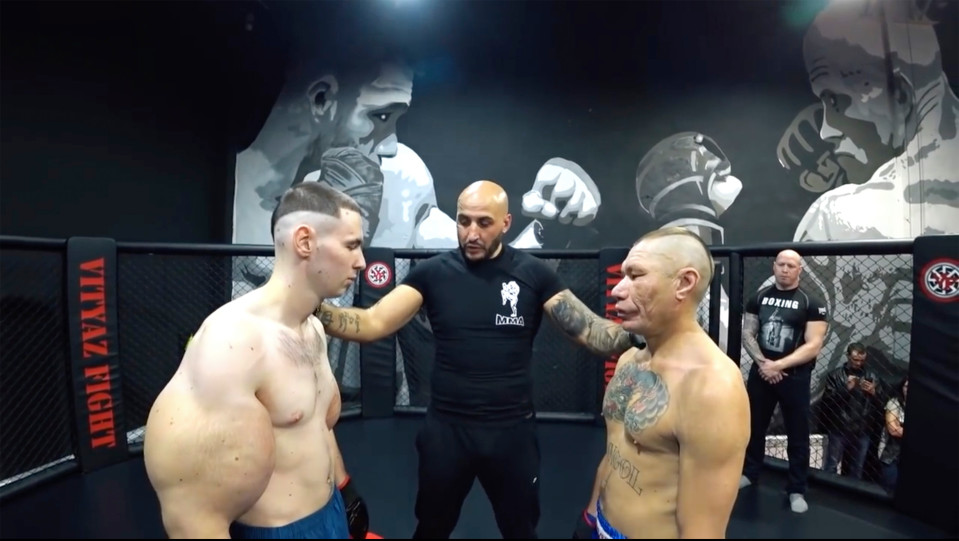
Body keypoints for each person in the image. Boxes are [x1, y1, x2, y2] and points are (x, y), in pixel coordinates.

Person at [316, 179, 637, 539]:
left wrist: (644, 333)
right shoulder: (433, 274)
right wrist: (311, 306)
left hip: (511, 433)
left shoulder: (533, 273)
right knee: (432, 527)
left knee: (520, 530)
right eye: (463, 221)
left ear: (506, 223)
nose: (471, 233)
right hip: (447, 432)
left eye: (484, 223)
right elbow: (372, 322)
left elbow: (589, 331)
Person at [143, 182, 371, 539]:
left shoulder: (312, 328)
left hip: (330, 513)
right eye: (351, 245)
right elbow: (192, 515)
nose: (361, 262)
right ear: (305, 242)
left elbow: (315, 424)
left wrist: (344, 487)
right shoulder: (232, 343)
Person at [573, 227, 751, 539]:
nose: (618, 290)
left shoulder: (711, 387)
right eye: (623, 276)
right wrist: (589, 518)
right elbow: (615, 451)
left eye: (636, 275)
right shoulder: (629, 359)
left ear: (684, 283)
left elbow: (703, 530)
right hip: (600, 523)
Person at [739, 249, 829, 513]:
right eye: (781, 264)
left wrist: (778, 365)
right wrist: (764, 364)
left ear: (800, 269)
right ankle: (750, 472)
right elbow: (748, 334)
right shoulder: (759, 298)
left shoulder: (811, 303)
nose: (785, 269)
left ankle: (796, 488)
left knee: (797, 434)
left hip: (795, 377)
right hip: (762, 373)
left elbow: (813, 345)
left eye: (791, 265)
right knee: (754, 427)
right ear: (774, 266)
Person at [820, 342, 884, 479]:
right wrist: (846, 388)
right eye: (855, 360)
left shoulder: (872, 376)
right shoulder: (835, 375)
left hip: (863, 429)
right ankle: (825, 489)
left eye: (862, 360)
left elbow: (882, 403)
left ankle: (852, 492)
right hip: (839, 428)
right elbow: (827, 401)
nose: (858, 363)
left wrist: (873, 392)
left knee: (857, 468)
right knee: (831, 466)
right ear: (848, 356)